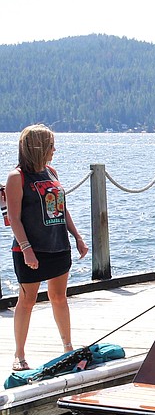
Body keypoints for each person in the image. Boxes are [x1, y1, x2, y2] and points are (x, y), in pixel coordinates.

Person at [7, 125, 88, 371]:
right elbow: (14, 217)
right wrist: (27, 248)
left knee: (59, 297)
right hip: (31, 248)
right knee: (27, 300)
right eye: (51, 145)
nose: (54, 150)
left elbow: (61, 209)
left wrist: (77, 236)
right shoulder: (17, 177)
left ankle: (67, 347)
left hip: (57, 245)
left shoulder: (51, 172)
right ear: (38, 147)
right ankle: (19, 354)